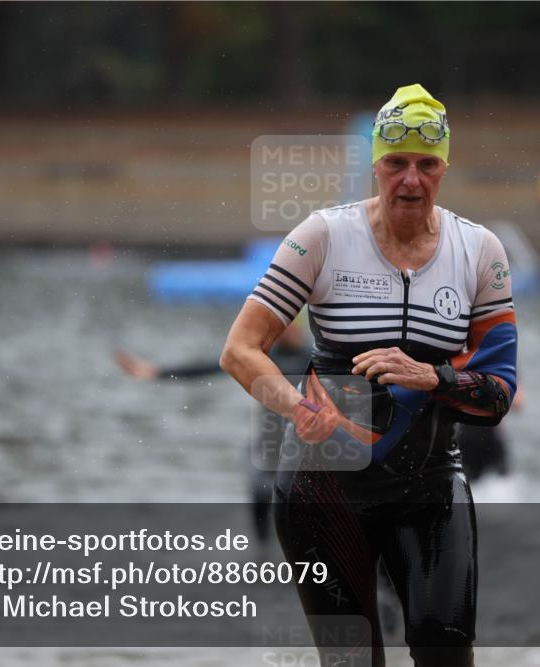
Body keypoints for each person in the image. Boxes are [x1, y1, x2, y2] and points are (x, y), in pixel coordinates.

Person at [220, 84, 518, 667]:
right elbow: (239, 349)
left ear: (445, 168)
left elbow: (500, 393)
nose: (411, 179)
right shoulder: (322, 237)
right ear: (376, 165)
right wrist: (297, 409)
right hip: (322, 490)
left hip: (431, 488)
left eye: (427, 165)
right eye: (396, 163)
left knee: (447, 655)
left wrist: (432, 377)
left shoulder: (480, 251)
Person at [115, 323, 311, 545]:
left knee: (299, 524)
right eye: (283, 327)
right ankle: (261, 560)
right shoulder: (263, 360)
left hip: (299, 452)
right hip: (266, 449)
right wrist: (155, 372)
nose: (289, 331)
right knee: (261, 512)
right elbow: (210, 366)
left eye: (293, 327)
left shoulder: (313, 360)